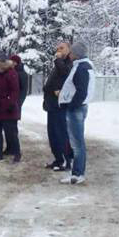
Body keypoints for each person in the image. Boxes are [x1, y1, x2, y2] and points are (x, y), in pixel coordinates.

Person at [58, 41, 93, 184]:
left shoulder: (81, 68)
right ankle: (77, 173)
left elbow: (81, 91)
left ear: (77, 54)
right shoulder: (84, 65)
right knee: (78, 142)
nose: (70, 54)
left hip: (76, 109)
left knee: (77, 143)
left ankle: (77, 174)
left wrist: (71, 106)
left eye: (72, 52)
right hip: (79, 107)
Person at [42, 42, 74, 171]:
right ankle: (58, 159)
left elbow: (66, 73)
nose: (58, 50)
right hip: (52, 104)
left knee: (61, 134)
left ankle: (66, 161)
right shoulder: (59, 63)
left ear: (69, 49)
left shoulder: (69, 63)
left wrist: (58, 59)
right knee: (53, 134)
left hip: (60, 105)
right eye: (58, 48)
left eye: (62, 48)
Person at [0, 52, 21, 163]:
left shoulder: (11, 73)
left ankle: (17, 153)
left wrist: (10, 103)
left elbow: (15, 90)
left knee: (11, 132)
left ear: (2, 62)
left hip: (8, 107)